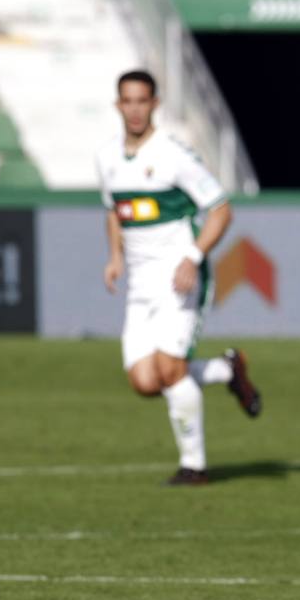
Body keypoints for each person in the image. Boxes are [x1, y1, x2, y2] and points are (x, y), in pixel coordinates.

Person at [97, 70, 261, 486]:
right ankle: (226, 370)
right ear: (118, 105)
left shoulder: (173, 154)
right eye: (127, 101)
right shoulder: (107, 157)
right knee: (144, 380)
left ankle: (194, 466)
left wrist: (192, 257)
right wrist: (115, 258)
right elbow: (116, 212)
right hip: (140, 285)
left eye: (142, 101)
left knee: (171, 369)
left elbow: (221, 209)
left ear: (155, 104)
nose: (134, 109)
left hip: (179, 277)